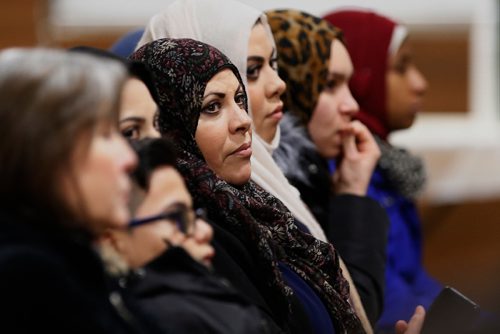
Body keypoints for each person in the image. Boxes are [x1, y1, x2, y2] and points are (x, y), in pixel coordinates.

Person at [137, 1, 387, 330]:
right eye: (253, 69)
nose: (278, 84)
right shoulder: (203, 228)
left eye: (274, 64)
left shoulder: (262, 202)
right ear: (171, 118)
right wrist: (352, 194)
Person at [0, 48, 160, 333]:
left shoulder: (74, 257)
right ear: (44, 153)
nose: (130, 159)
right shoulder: (26, 281)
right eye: (107, 135)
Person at [322, 9, 443, 332]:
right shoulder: (345, 166)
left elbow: (412, 276)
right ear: (365, 77)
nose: (420, 83)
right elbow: (385, 299)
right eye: (401, 67)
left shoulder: (386, 163)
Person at [266, 9, 387, 326]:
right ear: (290, 86)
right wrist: (352, 196)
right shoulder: (271, 193)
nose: (352, 105)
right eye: (330, 84)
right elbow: (354, 310)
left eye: (348, 84)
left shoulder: (315, 174)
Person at [100, 137, 276, 333]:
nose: (204, 232)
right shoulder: (173, 321)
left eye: (193, 215)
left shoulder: (201, 300)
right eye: (176, 217)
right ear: (113, 241)